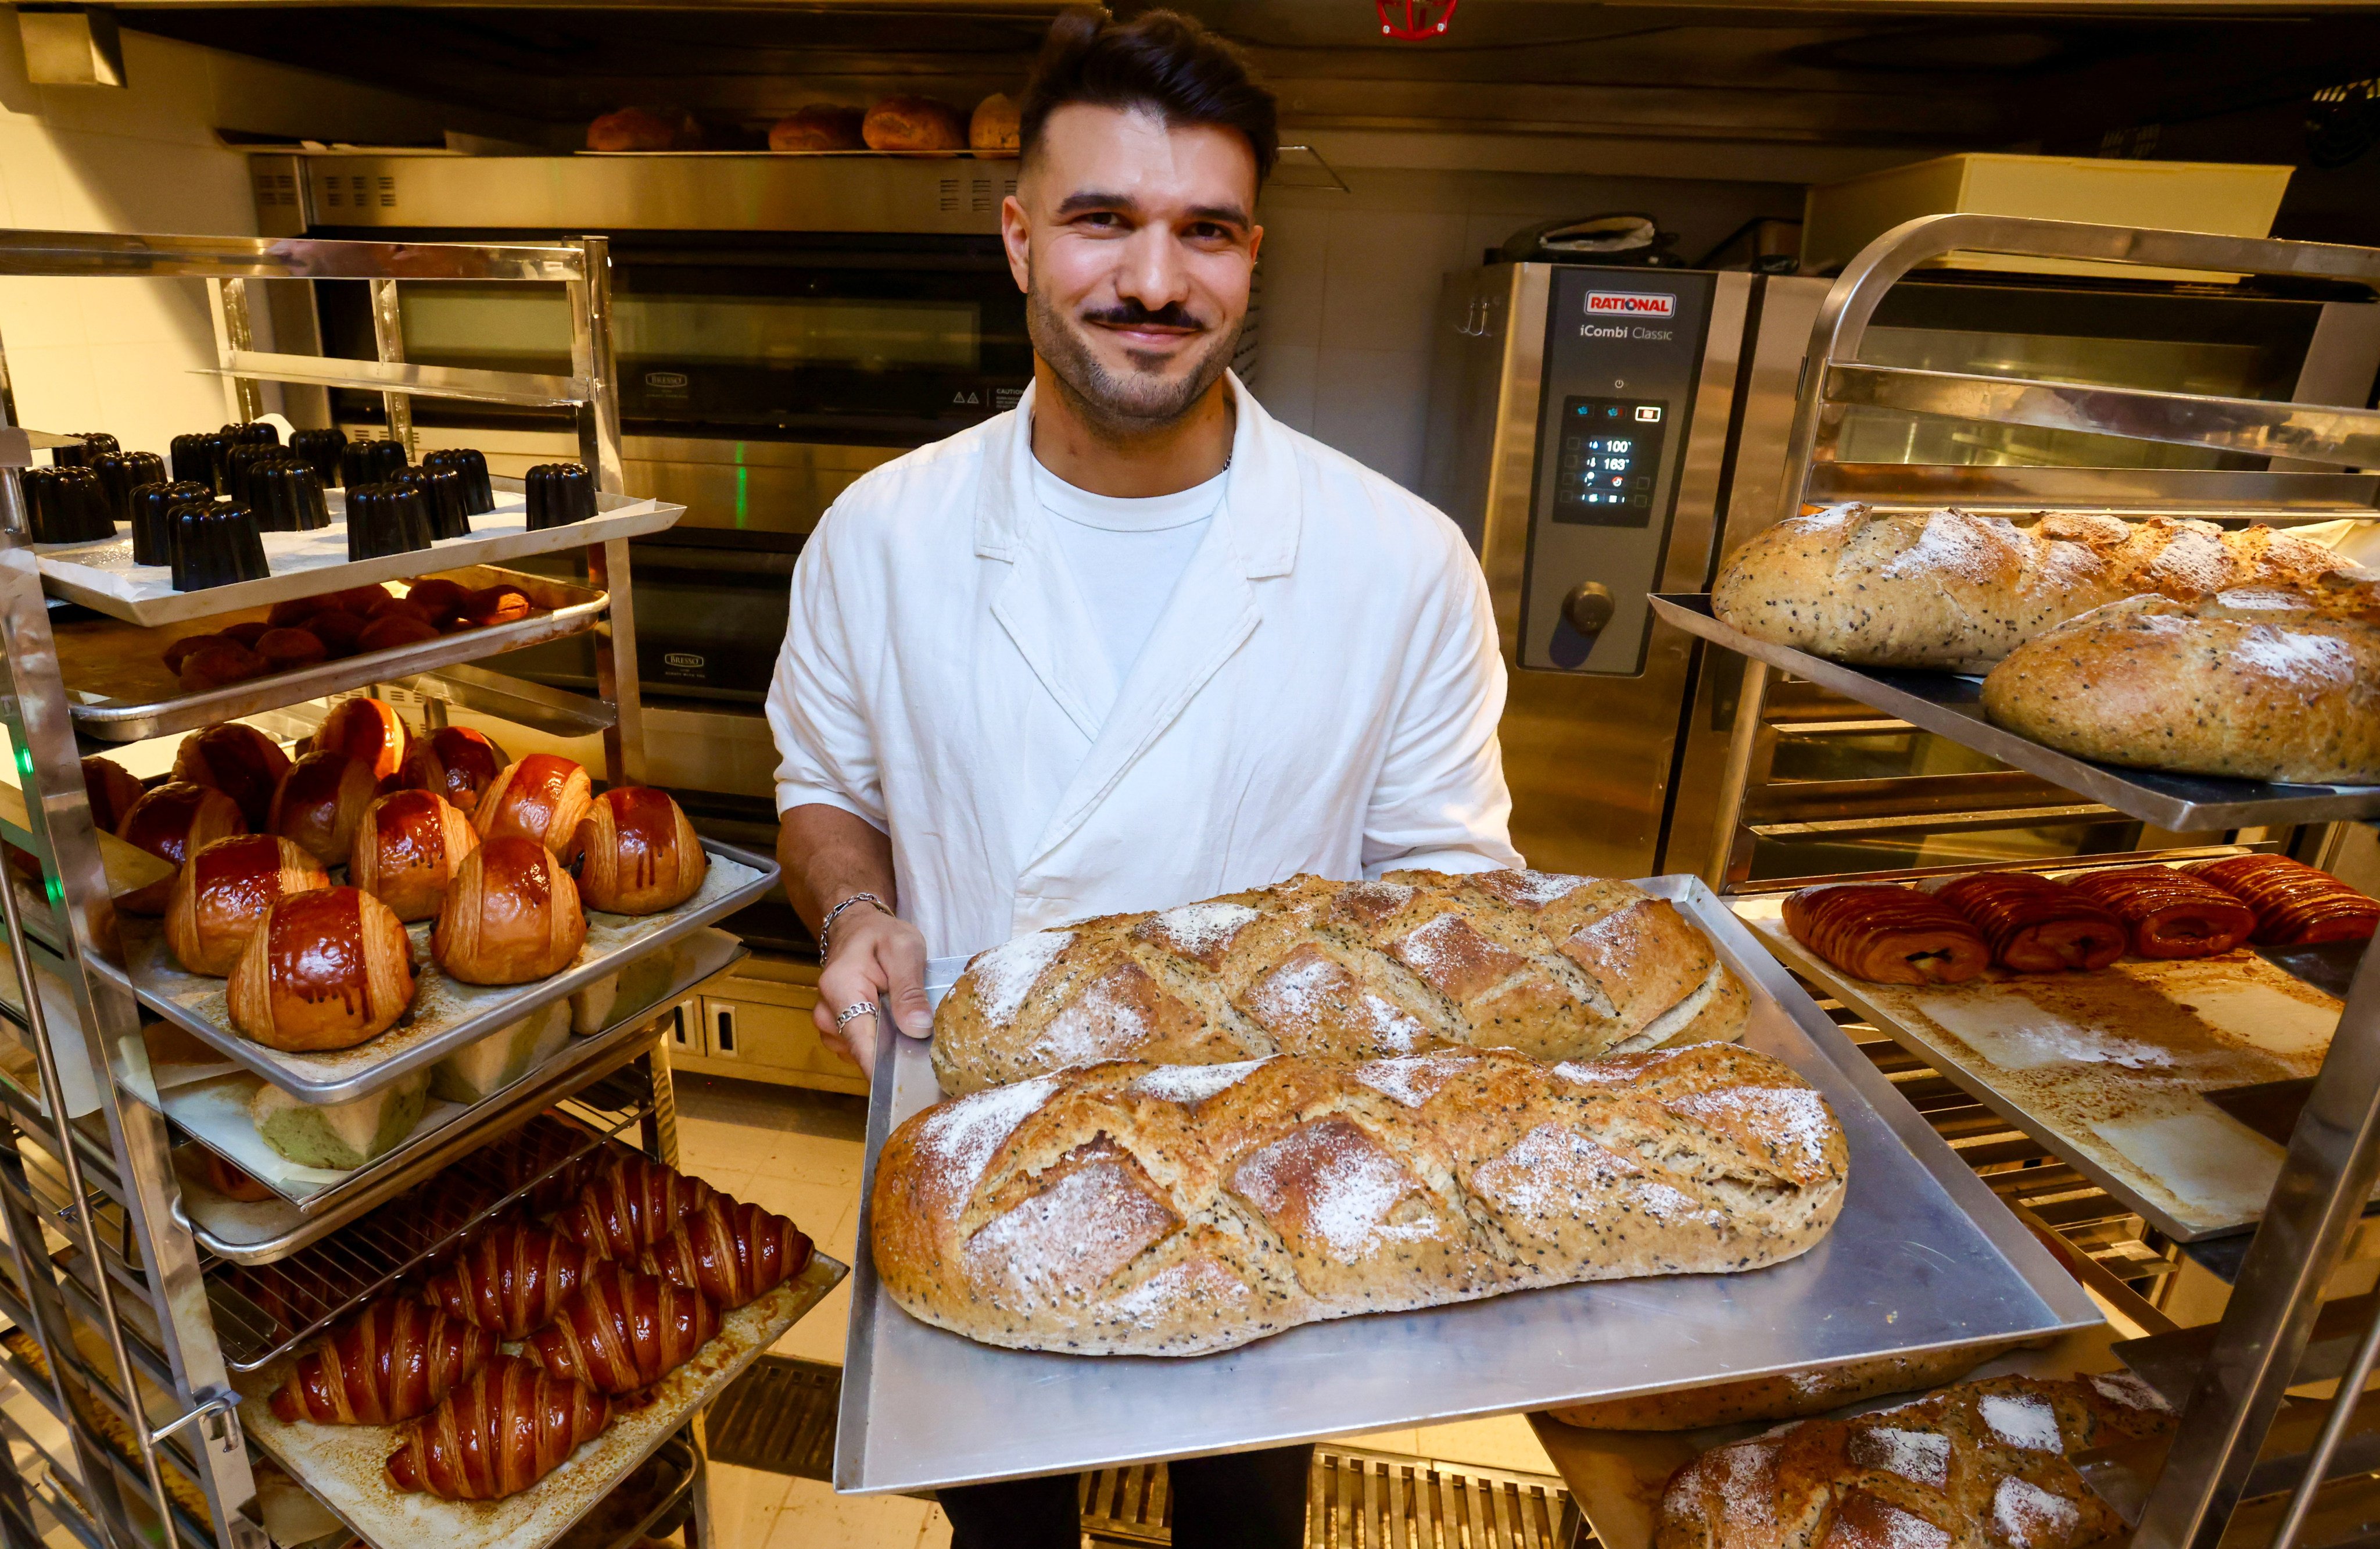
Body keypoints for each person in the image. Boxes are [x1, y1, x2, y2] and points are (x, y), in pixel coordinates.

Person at [767, 8, 1520, 1545]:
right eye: (1103, 220)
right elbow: (823, 788)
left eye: (1208, 232)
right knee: (1007, 1530)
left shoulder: (1398, 563)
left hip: (1274, 1176)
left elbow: (1452, 900)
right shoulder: (883, 535)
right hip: (982, 1151)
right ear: (1020, 237)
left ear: (1255, 255)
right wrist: (854, 911)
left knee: (1246, 1522)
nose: (1155, 282)